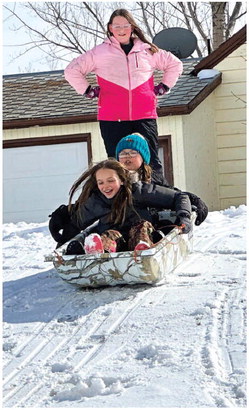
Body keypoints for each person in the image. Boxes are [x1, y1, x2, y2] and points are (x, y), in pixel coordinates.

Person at [64, 8, 183, 185]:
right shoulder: (99, 53)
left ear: (132, 27)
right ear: (110, 28)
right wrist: (88, 90)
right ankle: (123, 204)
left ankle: (159, 201)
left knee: (150, 162)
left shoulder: (147, 51)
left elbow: (175, 64)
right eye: (117, 26)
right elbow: (72, 71)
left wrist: (163, 87)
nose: (121, 30)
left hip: (144, 115)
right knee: (116, 163)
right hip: (112, 117)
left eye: (125, 25)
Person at [51, 159, 192, 255]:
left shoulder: (139, 192)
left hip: (142, 238)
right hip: (115, 244)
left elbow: (179, 197)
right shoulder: (96, 202)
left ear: (122, 180)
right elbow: (76, 224)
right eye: (100, 182)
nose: (105, 186)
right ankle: (97, 253)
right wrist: (63, 246)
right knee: (107, 234)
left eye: (110, 181)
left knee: (141, 227)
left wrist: (184, 217)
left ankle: (143, 251)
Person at [115, 133, 209, 226]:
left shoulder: (154, 179)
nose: (127, 156)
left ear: (143, 157)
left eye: (133, 152)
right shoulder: (111, 179)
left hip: (148, 228)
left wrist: (194, 199)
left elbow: (171, 194)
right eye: (123, 153)